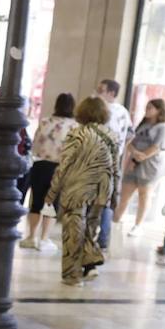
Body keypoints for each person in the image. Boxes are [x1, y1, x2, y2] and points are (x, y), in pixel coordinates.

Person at [48, 96, 119, 286]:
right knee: (89, 229)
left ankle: (72, 275)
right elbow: (116, 168)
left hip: (77, 189)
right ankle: (90, 265)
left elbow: (64, 165)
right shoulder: (112, 136)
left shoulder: (77, 135)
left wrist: (52, 192)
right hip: (102, 190)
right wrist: (115, 195)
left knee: (73, 231)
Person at [22, 92, 76, 250]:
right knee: (52, 204)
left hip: (40, 165)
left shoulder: (45, 122)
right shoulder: (74, 126)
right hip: (60, 168)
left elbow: (35, 145)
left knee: (36, 202)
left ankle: (31, 236)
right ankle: (44, 239)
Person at [115, 98, 165, 237]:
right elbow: (130, 141)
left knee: (144, 195)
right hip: (133, 162)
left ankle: (138, 225)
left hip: (150, 166)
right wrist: (134, 153)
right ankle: (116, 219)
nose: (147, 110)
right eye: (147, 107)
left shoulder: (163, 127)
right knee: (125, 193)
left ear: (159, 110)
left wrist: (142, 156)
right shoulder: (142, 124)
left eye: (151, 108)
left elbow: (157, 147)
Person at [96, 79, 133, 248]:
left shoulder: (102, 110)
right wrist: (120, 149)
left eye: (101, 89)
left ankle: (88, 235)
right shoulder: (123, 112)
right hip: (114, 160)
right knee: (108, 199)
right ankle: (103, 238)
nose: (98, 92)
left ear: (111, 93)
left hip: (97, 159)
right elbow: (131, 133)